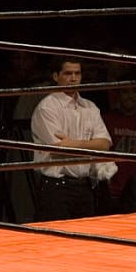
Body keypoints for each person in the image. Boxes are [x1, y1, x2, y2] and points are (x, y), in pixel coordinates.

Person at [31, 57, 113, 221]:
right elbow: (60, 149)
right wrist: (90, 146)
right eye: (68, 73)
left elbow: (105, 144)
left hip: (85, 186)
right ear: (56, 76)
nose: (74, 78)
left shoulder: (90, 107)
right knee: (56, 235)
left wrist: (74, 143)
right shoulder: (47, 108)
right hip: (56, 188)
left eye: (77, 73)